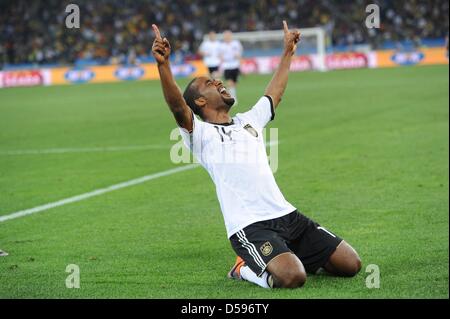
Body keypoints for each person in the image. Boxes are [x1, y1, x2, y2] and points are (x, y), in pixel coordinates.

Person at [151, 21, 361, 289]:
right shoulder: (200, 134)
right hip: (250, 226)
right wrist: (163, 65)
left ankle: (285, 254)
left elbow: (275, 93)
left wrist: (288, 53)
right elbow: (177, 106)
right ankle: (243, 268)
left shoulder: (248, 121)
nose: (218, 81)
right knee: (292, 277)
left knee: (351, 264)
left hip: (287, 215)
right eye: (209, 83)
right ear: (200, 102)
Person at [219, 30, 243, 105]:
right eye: (226, 36)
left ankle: (231, 95)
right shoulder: (222, 45)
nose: (227, 37)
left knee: (234, 83)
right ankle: (233, 98)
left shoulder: (236, 43)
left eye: (228, 35)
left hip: (235, 65)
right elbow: (220, 55)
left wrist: (238, 57)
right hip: (226, 66)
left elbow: (240, 52)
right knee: (230, 83)